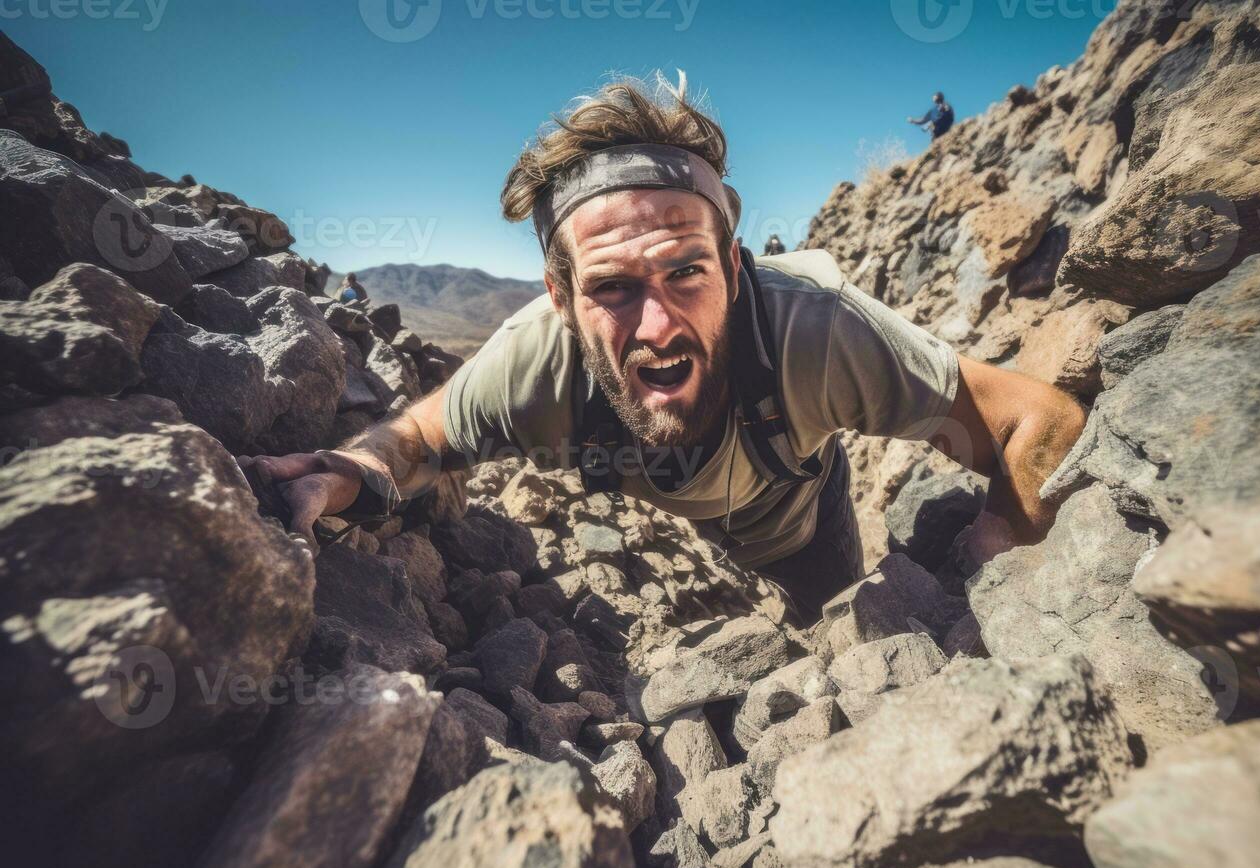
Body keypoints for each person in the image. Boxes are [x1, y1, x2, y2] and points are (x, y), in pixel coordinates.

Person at [242, 75, 1084, 627]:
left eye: (687, 270)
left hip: (800, 523)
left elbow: (1036, 420)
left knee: (834, 620)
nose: (656, 325)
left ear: (734, 264)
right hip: (702, 526)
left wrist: (984, 571)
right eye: (611, 288)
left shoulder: (814, 333)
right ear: (561, 300)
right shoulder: (534, 367)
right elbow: (421, 439)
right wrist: (354, 471)